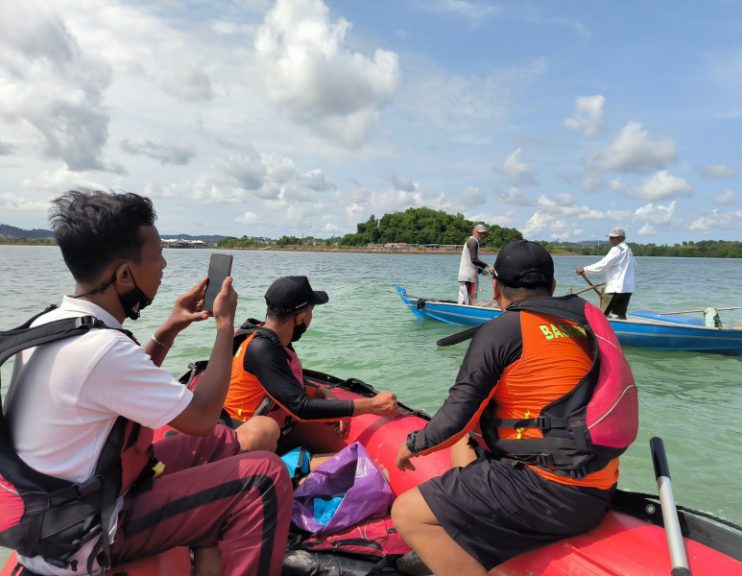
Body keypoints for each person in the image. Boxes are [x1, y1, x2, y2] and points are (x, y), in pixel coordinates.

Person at [4, 190, 292, 576]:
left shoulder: (52, 324)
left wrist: (169, 329)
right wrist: (226, 326)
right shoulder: (103, 350)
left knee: (202, 445)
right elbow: (204, 416)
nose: (164, 265)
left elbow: (114, 383)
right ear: (124, 274)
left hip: (62, 508)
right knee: (266, 477)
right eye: (157, 255)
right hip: (84, 532)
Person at [392, 240, 622, 576]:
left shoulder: (501, 331)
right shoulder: (583, 326)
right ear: (553, 288)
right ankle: (474, 544)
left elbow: (454, 419)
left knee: (407, 513)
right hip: (599, 489)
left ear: (496, 287)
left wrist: (410, 445)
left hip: (551, 495)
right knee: (466, 443)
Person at [224, 275, 399, 438]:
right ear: (301, 316)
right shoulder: (262, 349)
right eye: (311, 311)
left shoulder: (267, 338)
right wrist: (372, 405)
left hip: (265, 429)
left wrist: (322, 390)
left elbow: (284, 381)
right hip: (241, 438)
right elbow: (300, 407)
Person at [576, 226, 637, 319]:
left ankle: (599, 331)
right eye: (610, 237)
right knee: (621, 314)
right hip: (627, 288)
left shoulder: (617, 249)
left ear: (622, 238)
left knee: (602, 315)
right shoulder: (628, 250)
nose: (610, 240)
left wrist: (585, 269)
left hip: (615, 288)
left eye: (613, 238)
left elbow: (604, 264)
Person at [457, 224, 492, 305]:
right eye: (479, 233)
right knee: (469, 301)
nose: (482, 235)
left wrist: (480, 271)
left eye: (483, 233)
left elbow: (470, 261)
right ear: (474, 231)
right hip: (469, 278)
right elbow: (474, 259)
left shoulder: (472, 241)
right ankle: (465, 315)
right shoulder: (473, 241)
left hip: (467, 277)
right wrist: (487, 266)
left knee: (464, 299)